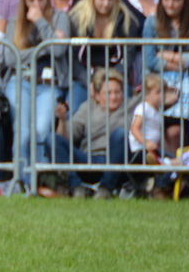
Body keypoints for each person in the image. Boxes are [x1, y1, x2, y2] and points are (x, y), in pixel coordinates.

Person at [1, 0, 68, 184]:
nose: (36, 4)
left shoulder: (60, 18)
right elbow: (10, 58)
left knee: (40, 129)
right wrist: (44, 47)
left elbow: (59, 51)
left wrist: (41, 21)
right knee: (22, 131)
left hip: (48, 84)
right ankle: (20, 181)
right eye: (31, 0)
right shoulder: (15, 22)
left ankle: (35, 183)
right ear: (24, 2)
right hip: (20, 81)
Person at [143, 0, 189, 155]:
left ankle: (173, 173)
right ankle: (167, 172)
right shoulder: (151, 23)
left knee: (175, 132)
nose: (170, 4)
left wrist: (165, 54)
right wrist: (184, 58)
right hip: (159, 84)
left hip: (187, 86)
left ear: (185, 1)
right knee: (158, 131)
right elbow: (150, 60)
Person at [53, 69, 134, 197]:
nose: (113, 97)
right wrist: (62, 121)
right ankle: (76, 188)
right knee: (52, 139)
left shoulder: (132, 105)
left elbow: (158, 98)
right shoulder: (87, 107)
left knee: (120, 134)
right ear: (96, 95)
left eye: (117, 92)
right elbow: (67, 136)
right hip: (89, 159)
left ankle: (106, 189)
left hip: (116, 160)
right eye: (108, 93)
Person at [66, 0, 138, 115]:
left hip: (116, 77)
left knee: (125, 113)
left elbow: (127, 56)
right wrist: (90, 81)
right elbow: (72, 58)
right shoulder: (76, 18)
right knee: (73, 110)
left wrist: (110, 82)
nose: (106, 4)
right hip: (85, 76)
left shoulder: (127, 20)